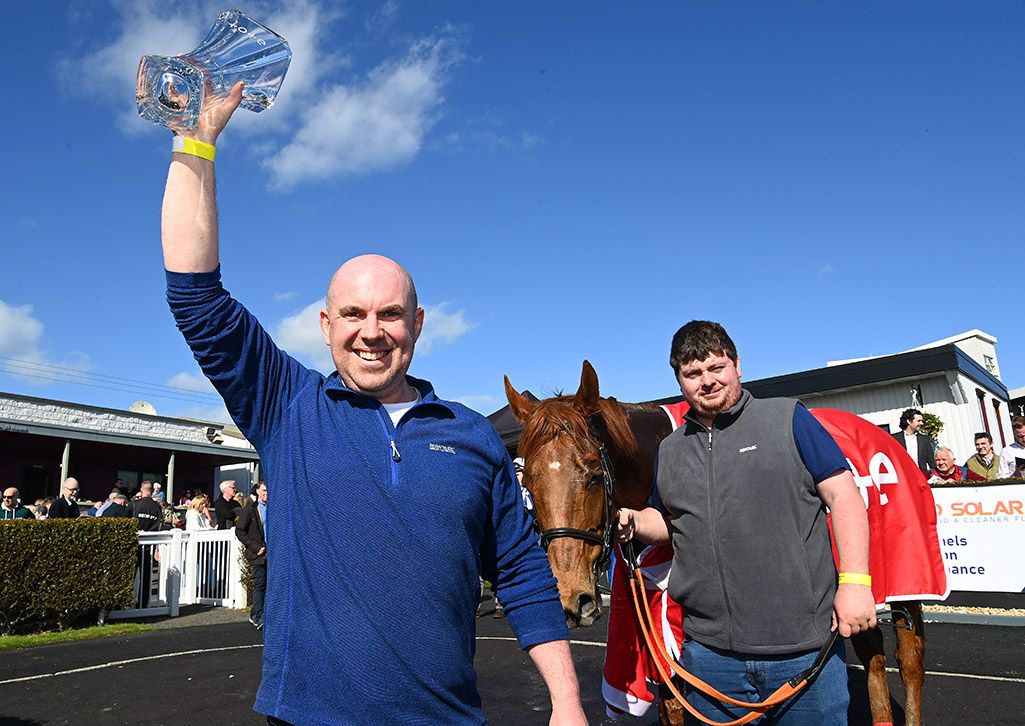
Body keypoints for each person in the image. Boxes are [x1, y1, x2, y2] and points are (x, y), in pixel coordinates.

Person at [159, 82, 583, 726]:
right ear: (326, 325)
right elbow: (196, 298)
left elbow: (522, 572)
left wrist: (567, 704)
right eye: (353, 314)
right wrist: (197, 142)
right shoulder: (288, 407)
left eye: (390, 314)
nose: (372, 330)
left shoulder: (472, 436)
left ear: (417, 323)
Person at [616, 321, 875, 725]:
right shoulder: (670, 450)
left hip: (802, 649)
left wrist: (856, 584)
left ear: (737, 365)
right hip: (708, 655)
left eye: (716, 367)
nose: (707, 381)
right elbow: (668, 523)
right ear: (679, 380)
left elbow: (844, 496)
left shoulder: (788, 417)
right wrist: (630, 519)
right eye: (693, 373)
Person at [236, 481, 268, 630]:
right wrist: (255, 547)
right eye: (264, 491)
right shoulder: (250, 509)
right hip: (257, 554)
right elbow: (240, 531)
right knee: (260, 583)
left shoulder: (274, 509)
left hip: (272, 552)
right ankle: (257, 615)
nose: (266, 494)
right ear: (257, 492)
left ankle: (260, 613)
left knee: (270, 584)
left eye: (268, 491)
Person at [892, 408, 936, 475]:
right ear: (909, 421)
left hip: (922, 477)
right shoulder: (894, 439)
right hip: (903, 477)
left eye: (921, 421)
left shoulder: (925, 439)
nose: (921, 423)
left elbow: (932, 462)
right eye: (918, 421)